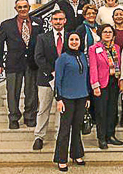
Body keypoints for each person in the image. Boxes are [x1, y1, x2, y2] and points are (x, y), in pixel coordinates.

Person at [0, 0, 43, 129]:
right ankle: (14, 117)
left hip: (32, 63)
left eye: (25, 6)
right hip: (13, 63)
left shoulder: (38, 22)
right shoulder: (7, 25)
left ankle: (30, 116)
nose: (22, 9)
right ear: (16, 9)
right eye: (20, 7)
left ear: (29, 8)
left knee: (31, 91)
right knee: (12, 92)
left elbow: (42, 42)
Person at [53, 32, 89, 171]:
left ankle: (77, 154)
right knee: (65, 129)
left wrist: (87, 97)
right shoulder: (62, 58)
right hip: (67, 98)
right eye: (72, 40)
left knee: (77, 128)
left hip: (81, 97)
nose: (74, 42)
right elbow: (58, 80)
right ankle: (61, 158)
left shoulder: (83, 56)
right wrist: (59, 99)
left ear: (80, 42)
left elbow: (85, 78)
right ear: (68, 42)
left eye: (76, 39)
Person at [33, 10, 66, 150]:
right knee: (43, 109)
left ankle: (60, 136)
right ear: (51, 21)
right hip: (46, 79)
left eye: (60, 19)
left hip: (65, 80)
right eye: (55, 19)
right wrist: (51, 72)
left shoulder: (71, 36)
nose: (58, 22)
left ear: (65, 21)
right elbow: (38, 57)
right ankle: (39, 136)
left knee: (62, 109)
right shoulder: (42, 37)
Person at [89, 24, 123, 149]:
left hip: (114, 82)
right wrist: (95, 85)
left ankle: (111, 135)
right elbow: (93, 68)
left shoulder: (117, 48)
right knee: (101, 112)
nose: (108, 34)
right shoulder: (94, 48)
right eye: (105, 32)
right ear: (100, 34)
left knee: (112, 111)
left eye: (110, 32)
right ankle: (101, 138)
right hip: (101, 83)